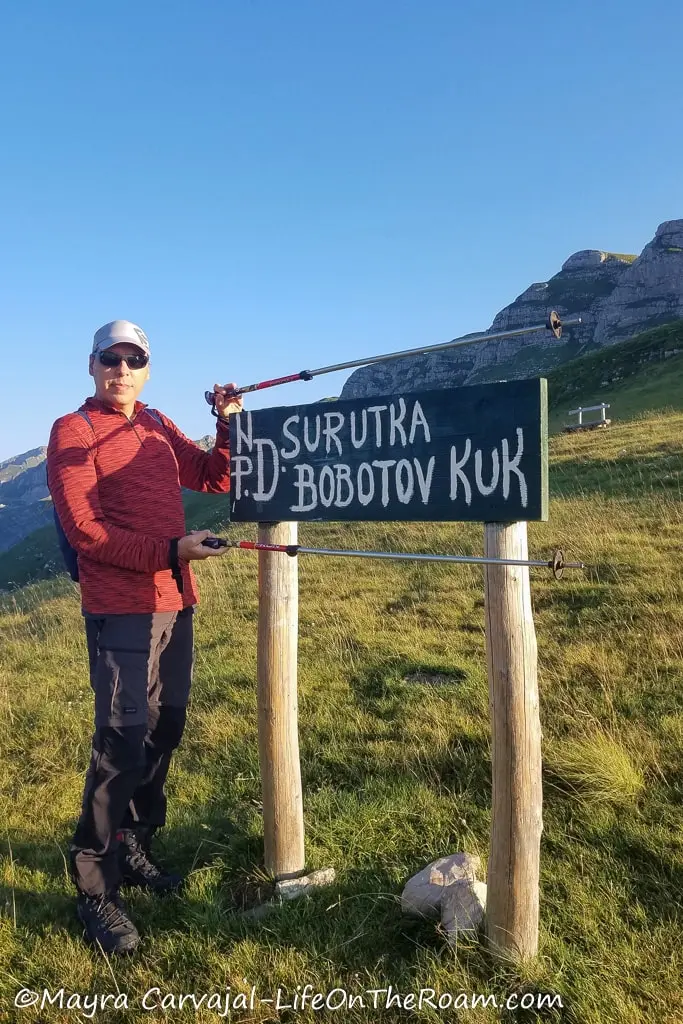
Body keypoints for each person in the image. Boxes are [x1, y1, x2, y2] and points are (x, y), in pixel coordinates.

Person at [46, 320, 242, 954]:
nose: (122, 369)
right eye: (112, 358)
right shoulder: (72, 431)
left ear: (148, 369)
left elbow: (214, 476)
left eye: (134, 360)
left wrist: (230, 421)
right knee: (121, 739)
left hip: (175, 602)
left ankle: (134, 842)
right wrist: (170, 549)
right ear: (93, 364)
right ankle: (95, 887)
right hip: (119, 608)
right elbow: (85, 532)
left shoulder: (156, 422)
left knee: (165, 728)